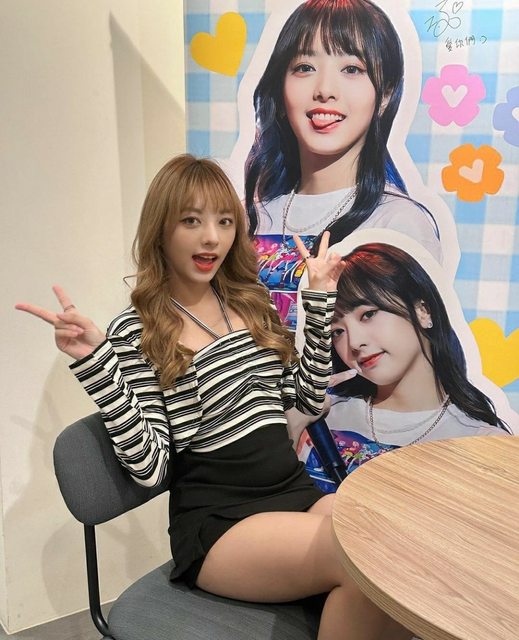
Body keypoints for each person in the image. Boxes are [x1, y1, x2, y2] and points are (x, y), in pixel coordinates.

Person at [16, 156, 414, 640]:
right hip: (220, 522)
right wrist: (98, 366)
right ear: (161, 229)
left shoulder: (251, 302)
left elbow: (306, 399)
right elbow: (150, 468)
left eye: (224, 222)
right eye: (192, 221)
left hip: (292, 494)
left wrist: (318, 300)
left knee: (389, 548)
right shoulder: (137, 331)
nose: (212, 238)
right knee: (357, 558)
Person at [243, 0, 442, 328]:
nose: (324, 90)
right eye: (304, 67)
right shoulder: (249, 217)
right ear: (281, 87)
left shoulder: (399, 224)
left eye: (351, 69)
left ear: (386, 94)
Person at [297, 243, 510, 492]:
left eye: (368, 314)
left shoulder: (482, 443)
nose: (354, 342)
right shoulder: (322, 416)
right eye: (337, 331)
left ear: (423, 311)